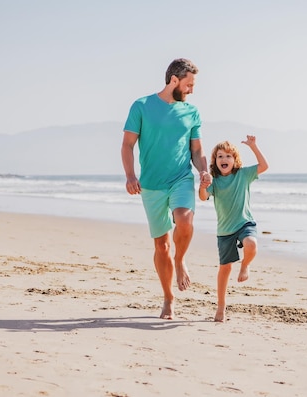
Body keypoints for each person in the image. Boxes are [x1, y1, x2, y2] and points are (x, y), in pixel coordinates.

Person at [121, 58, 212, 320]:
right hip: (151, 185)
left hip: (181, 178)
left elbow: (197, 150)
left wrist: (203, 170)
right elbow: (127, 144)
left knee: (185, 220)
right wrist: (130, 176)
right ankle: (168, 299)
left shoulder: (191, 112)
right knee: (161, 245)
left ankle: (181, 259)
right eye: (189, 84)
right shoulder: (141, 106)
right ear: (174, 81)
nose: (191, 90)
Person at [198, 135, 269, 322]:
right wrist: (203, 185)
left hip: (245, 223)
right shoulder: (214, 181)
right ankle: (221, 306)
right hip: (225, 231)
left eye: (229, 156)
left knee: (251, 244)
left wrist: (253, 146)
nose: (224, 159)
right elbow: (203, 197)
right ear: (215, 161)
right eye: (220, 156)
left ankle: (245, 265)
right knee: (225, 269)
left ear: (235, 160)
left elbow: (264, 166)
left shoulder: (243, 175)